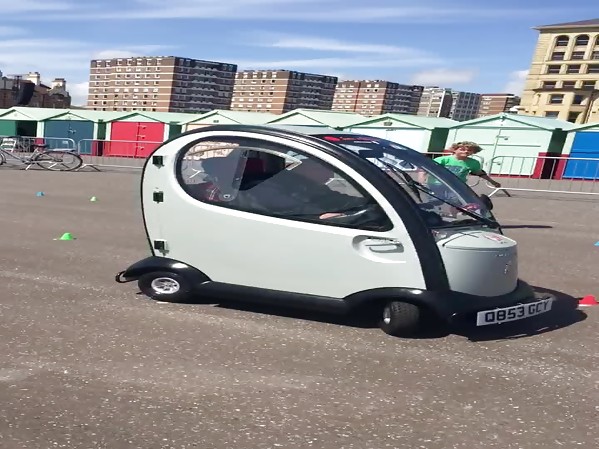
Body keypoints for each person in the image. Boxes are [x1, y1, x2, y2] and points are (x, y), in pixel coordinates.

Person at [433, 141, 501, 188]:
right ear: (454, 150)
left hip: (457, 186)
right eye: (462, 149)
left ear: (474, 152)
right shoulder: (442, 160)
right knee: (435, 202)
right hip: (437, 184)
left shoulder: (474, 163)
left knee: (456, 202)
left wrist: (493, 182)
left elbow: (480, 173)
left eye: (469, 150)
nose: (466, 151)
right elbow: (428, 169)